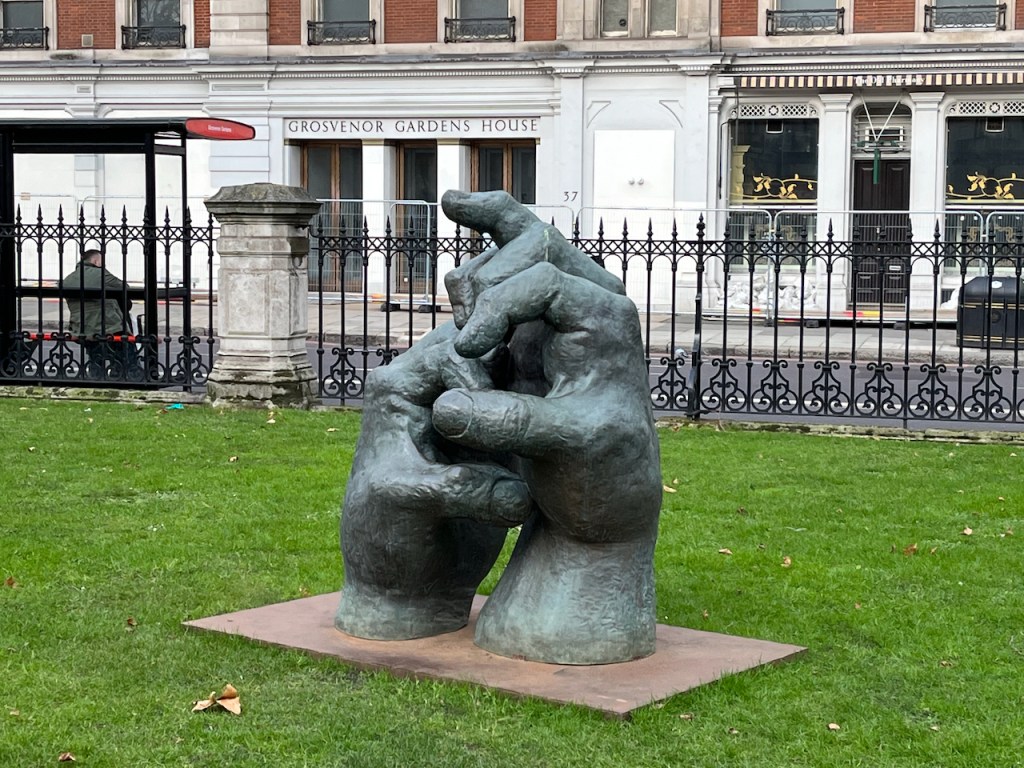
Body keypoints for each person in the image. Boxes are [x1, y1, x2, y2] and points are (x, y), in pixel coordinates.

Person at [62, 248, 141, 380]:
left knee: (95, 356)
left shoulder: (68, 278)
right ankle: (127, 376)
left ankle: (96, 378)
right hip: (108, 325)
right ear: (96, 261)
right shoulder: (101, 274)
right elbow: (125, 288)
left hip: (81, 327)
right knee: (126, 350)